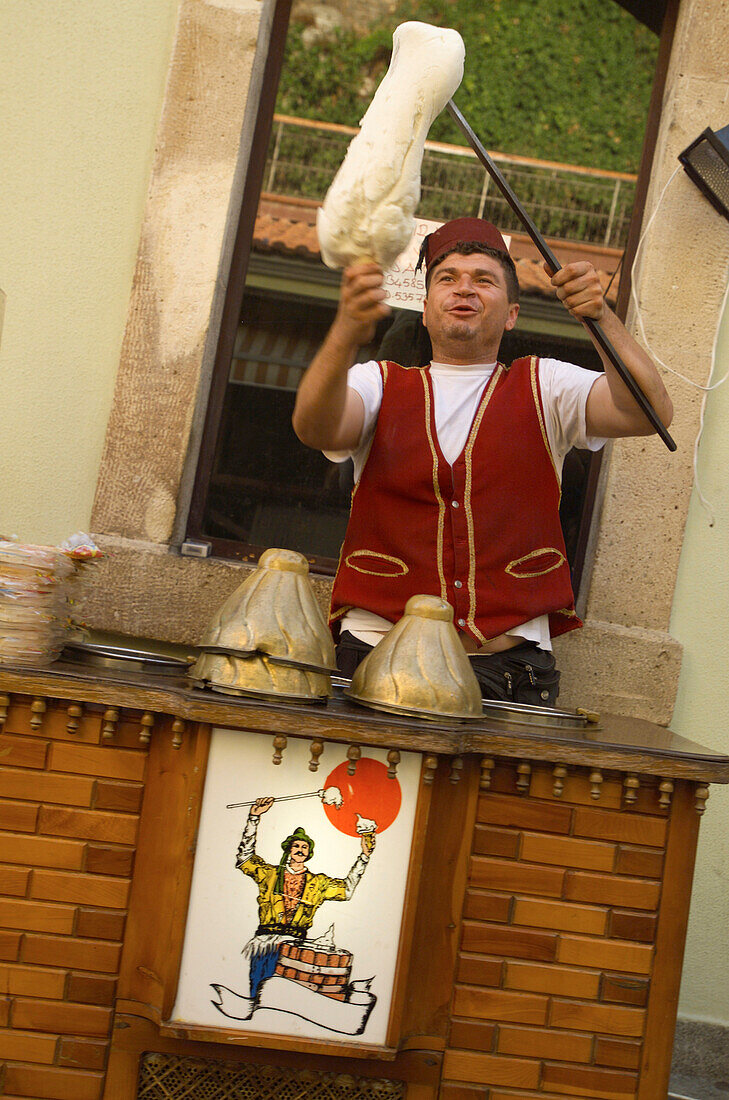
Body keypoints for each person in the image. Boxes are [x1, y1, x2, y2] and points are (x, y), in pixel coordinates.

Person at [292, 218, 673, 704]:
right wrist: (345, 332)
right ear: (425, 310)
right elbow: (314, 427)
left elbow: (648, 412)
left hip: (509, 674)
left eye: (484, 279)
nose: (464, 289)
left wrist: (598, 318)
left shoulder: (547, 385)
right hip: (373, 657)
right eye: (447, 278)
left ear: (512, 314)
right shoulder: (378, 383)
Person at [237, 796, 375, 997]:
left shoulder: (317, 883)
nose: (300, 850)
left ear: (309, 853)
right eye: (296, 847)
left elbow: (347, 890)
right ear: (289, 850)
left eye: (304, 847)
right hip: (265, 943)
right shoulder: (270, 873)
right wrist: (253, 818)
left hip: (296, 949)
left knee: (285, 997)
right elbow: (245, 859)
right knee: (257, 991)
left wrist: (364, 857)